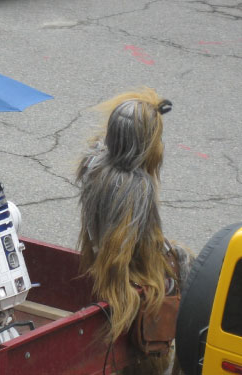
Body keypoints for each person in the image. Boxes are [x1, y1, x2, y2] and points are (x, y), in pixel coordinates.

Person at [76, 87, 191, 371]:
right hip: (131, 275)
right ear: (143, 145)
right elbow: (117, 257)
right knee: (187, 277)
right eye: (157, 139)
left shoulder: (95, 163)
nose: (160, 147)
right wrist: (132, 299)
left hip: (117, 256)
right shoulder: (136, 187)